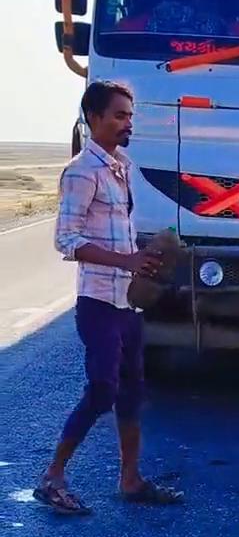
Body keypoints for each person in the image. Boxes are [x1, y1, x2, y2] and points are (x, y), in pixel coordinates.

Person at [33, 80, 184, 514]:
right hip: (98, 303)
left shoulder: (122, 166)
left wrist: (149, 255)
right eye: (119, 115)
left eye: (130, 116)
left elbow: (120, 235)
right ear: (93, 118)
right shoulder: (82, 172)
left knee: (133, 390)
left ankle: (130, 480)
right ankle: (52, 477)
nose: (127, 123)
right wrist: (126, 262)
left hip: (127, 303)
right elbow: (67, 239)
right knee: (103, 389)